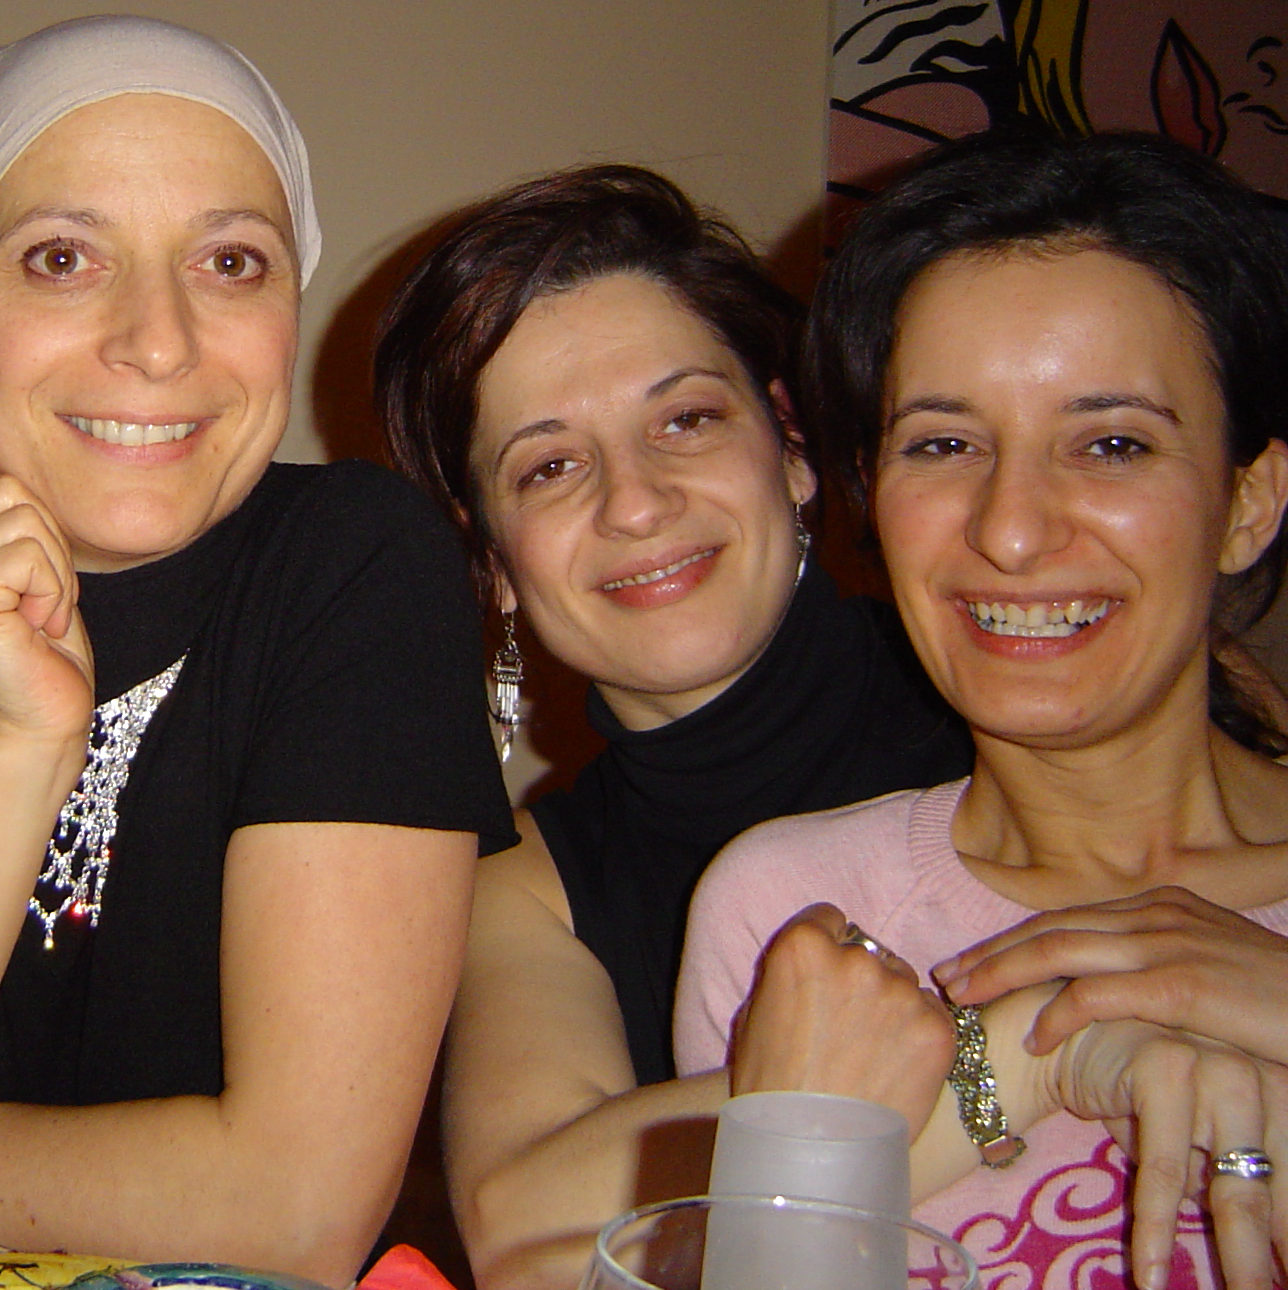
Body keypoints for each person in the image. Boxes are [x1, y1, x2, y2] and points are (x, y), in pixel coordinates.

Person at [0, 14, 514, 1283]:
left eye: (231, 262)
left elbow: (296, 1210)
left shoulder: (358, 563)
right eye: (62, 256)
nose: (159, 339)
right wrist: (24, 749)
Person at [677, 128, 1288, 1290]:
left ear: (1246, 502)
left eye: (1109, 444)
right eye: (943, 443)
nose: (1009, 529)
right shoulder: (801, 916)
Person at [371, 164, 974, 1290]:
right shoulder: (526, 884)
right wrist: (1005, 1068)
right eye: (548, 466)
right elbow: (529, 1240)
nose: (634, 502)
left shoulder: (1007, 702)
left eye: (685, 418)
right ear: (493, 563)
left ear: (788, 444)